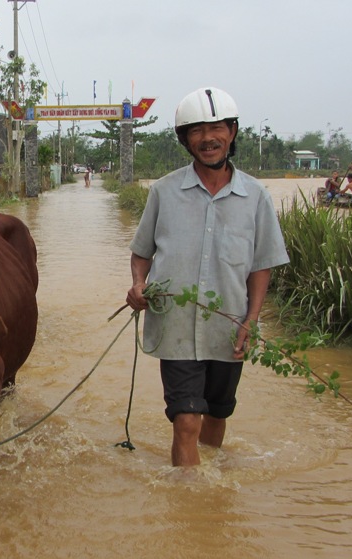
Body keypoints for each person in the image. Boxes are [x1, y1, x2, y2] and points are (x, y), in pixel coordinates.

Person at [125, 87, 290, 468]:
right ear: (185, 140)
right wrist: (138, 284)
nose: (207, 139)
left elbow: (261, 265)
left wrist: (251, 319)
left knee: (217, 416)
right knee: (185, 422)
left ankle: (213, 488)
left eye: (216, 129)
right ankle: (190, 508)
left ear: (232, 132)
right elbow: (141, 253)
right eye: (196, 131)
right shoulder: (164, 192)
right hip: (176, 326)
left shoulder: (257, 197)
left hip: (228, 326)